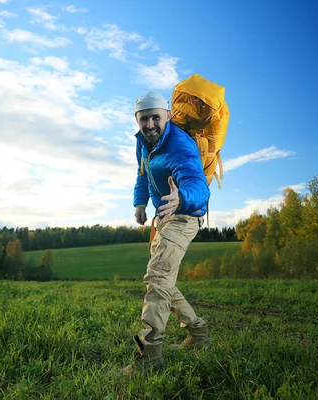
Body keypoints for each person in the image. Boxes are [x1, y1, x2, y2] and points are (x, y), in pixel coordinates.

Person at [123, 91, 211, 373]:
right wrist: (140, 202)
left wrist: (181, 198)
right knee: (162, 279)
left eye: (155, 118)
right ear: (137, 120)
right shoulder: (142, 142)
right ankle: (197, 335)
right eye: (144, 119)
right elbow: (142, 173)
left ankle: (150, 357)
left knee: (158, 276)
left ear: (168, 116)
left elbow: (199, 186)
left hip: (185, 214)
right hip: (165, 215)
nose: (150, 124)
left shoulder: (181, 146)